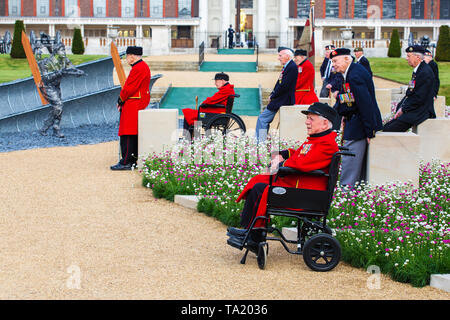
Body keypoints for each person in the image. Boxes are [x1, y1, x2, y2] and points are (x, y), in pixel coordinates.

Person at [227, 103, 339, 248]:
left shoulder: (326, 144)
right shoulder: (318, 139)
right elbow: (301, 154)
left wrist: (280, 165)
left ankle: (253, 234)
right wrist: (285, 154)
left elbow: (302, 164)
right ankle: (248, 230)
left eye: (311, 119)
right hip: (300, 183)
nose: (306, 122)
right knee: (257, 181)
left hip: (305, 192)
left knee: (261, 188)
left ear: (324, 123)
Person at [331, 48, 382, 187]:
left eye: (335, 61)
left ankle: (346, 193)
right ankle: (354, 192)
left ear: (347, 59)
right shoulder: (351, 72)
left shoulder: (355, 75)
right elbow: (349, 100)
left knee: (350, 160)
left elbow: (365, 104)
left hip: (358, 125)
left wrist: (369, 131)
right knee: (356, 164)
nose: (333, 64)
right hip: (354, 121)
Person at [111, 46, 151, 171]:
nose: (127, 59)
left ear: (132, 56)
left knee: (128, 132)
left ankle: (126, 161)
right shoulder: (141, 66)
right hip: (137, 101)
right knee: (132, 133)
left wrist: (120, 99)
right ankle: (131, 160)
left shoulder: (138, 68)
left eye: (127, 56)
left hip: (133, 102)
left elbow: (129, 88)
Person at [383, 45, 436, 132]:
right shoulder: (418, 70)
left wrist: (403, 109)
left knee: (388, 130)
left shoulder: (425, 72)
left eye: (408, 56)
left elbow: (419, 97)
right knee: (386, 127)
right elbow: (410, 92)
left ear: (417, 57)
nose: (406, 58)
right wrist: (400, 107)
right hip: (413, 109)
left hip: (419, 112)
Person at [38, 42, 85, 138]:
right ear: (56, 51)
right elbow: (46, 78)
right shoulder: (46, 62)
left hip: (56, 86)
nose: (64, 52)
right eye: (61, 50)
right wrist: (59, 73)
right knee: (58, 105)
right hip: (47, 87)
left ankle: (44, 127)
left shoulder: (64, 60)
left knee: (57, 107)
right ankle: (56, 128)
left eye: (64, 50)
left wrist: (78, 72)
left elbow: (71, 68)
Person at [255, 47, 297, 142]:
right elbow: (280, 83)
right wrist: (272, 94)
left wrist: (273, 96)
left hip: (282, 99)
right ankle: (261, 140)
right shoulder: (289, 66)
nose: (278, 58)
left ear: (287, 56)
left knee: (262, 119)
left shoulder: (291, 67)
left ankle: (259, 142)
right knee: (264, 119)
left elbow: (284, 85)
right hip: (281, 98)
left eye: (280, 55)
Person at [181, 72, 235, 137]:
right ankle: (193, 136)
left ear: (222, 81)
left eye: (216, 81)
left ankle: (188, 138)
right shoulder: (229, 89)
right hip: (220, 112)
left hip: (217, 113)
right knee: (192, 113)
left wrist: (204, 103)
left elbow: (213, 100)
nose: (215, 83)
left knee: (188, 112)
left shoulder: (226, 90)